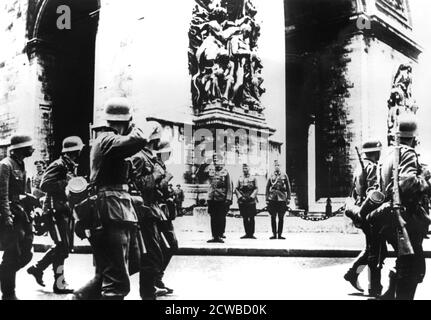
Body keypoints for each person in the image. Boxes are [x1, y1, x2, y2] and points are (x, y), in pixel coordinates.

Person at [85, 97, 147, 300]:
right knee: (117, 281)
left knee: (111, 271)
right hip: (112, 209)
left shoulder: (107, 140)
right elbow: (138, 140)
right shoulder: (107, 138)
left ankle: (78, 298)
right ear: (125, 119)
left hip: (115, 208)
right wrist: (135, 126)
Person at [375, 115, 430, 300]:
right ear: (414, 138)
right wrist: (425, 178)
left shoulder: (388, 154)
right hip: (406, 219)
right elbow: (407, 184)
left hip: (390, 219)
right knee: (414, 268)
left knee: (404, 264)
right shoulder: (408, 153)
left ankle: (390, 295)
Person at [27, 136, 85, 294]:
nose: (79, 153)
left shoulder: (69, 166)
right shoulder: (58, 165)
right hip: (54, 210)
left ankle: (38, 268)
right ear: (72, 151)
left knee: (64, 247)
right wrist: (67, 183)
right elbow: (44, 184)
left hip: (64, 210)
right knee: (62, 247)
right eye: (77, 150)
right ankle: (58, 283)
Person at [344, 140, 384, 297]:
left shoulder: (360, 167)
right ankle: (373, 286)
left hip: (361, 210)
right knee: (376, 251)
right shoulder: (371, 168)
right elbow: (375, 193)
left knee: (374, 249)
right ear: (375, 152)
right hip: (370, 213)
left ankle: (353, 273)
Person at [0, 134, 35, 300]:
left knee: (27, 253)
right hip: (11, 214)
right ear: (20, 148)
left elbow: (21, 192)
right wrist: (6, 217)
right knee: (12, 254)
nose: (32, 149)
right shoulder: (5, 165)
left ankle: (4, 273)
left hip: (21, 213)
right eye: (29, 146)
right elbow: (3, 195)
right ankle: (8, 293)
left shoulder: (20, 164)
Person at [207, 154, 233, 243]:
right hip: (212, 198)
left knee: (220, 217)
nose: (215, 162)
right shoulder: (211, 171)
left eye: (217, 160)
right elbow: (210, 184)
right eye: (214, 160)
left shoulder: (225, 172)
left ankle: (219, 235)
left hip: (221, 198)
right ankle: (214, 236)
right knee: (213, 217)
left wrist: (228, 199)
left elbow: (229, 186)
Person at [266, 160, 291, 239]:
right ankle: (274, 234)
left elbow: (288, 187)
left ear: (280, 166)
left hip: (282, 198)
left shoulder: (284, 175)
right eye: (276, 165)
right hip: (272, 198)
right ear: (274, 166)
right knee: (273, 217)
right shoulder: (271, 175)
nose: (277, 167)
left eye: (278, 165)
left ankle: (280, 234)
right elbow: (267, 187)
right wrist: (267, 198)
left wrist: (288, 198)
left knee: (281, 217)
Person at [235, 163, 258, 239]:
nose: (245, 170)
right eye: (244, 168)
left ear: (249, 169)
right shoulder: (240, 178)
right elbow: (236, 189)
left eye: (246, 168)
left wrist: (252, 196)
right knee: (244, 217)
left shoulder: (253, 178)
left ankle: (251, 234)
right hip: (243, 200)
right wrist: (240, 197)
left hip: (251, 200)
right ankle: (246, 233)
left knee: (251, 217)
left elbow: (256, 188)